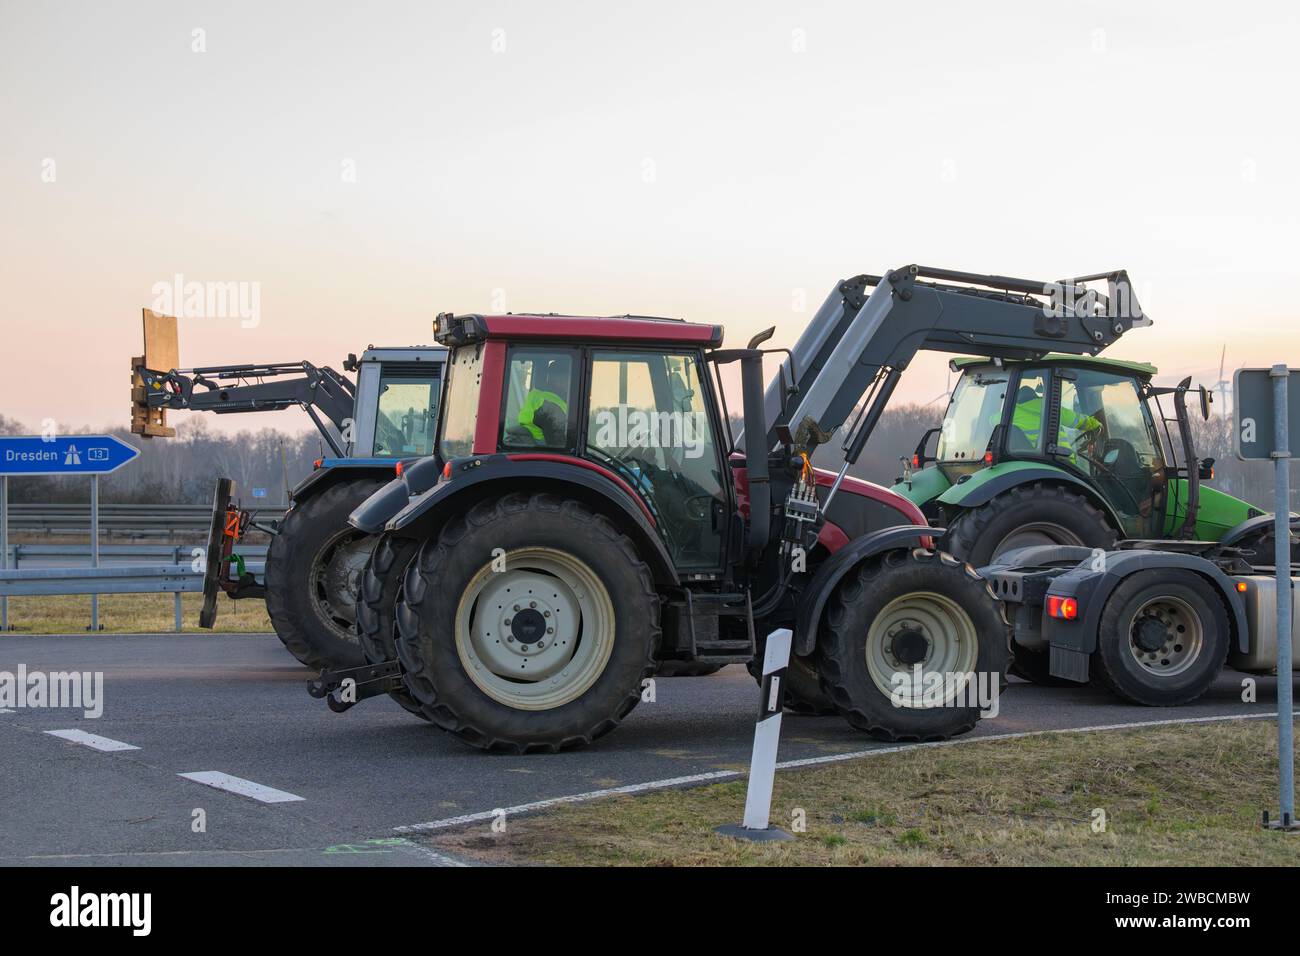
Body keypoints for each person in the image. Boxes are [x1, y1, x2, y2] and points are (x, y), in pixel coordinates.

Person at [1005, 385, 1101, 453]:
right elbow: (1077, 420)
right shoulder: (1049, 407)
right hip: (1060, 459)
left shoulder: (1008, 414)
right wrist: (1097, 424)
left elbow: (991, 420)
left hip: (1029, 458)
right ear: (1035, 396)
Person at [517, 360, 570, 446]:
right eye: (568, 378)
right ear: (558, 379)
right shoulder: (553, 407)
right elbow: (559, 445)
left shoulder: (537, 395)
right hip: (541, 447)